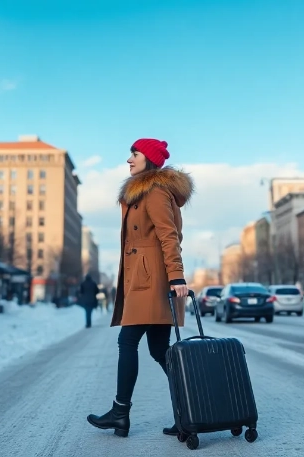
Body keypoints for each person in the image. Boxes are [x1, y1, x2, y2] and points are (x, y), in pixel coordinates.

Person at [87, 138, 194, 438]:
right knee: (161, 350)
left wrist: (176, 276)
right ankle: (191, 410)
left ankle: (120, 412)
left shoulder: (156, 191)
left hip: (152, 280)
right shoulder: (144, 191)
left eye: (134, 154)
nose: (129, 160)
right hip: (145, 277)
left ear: (149, 158)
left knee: (127, 340)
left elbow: (169, 236)